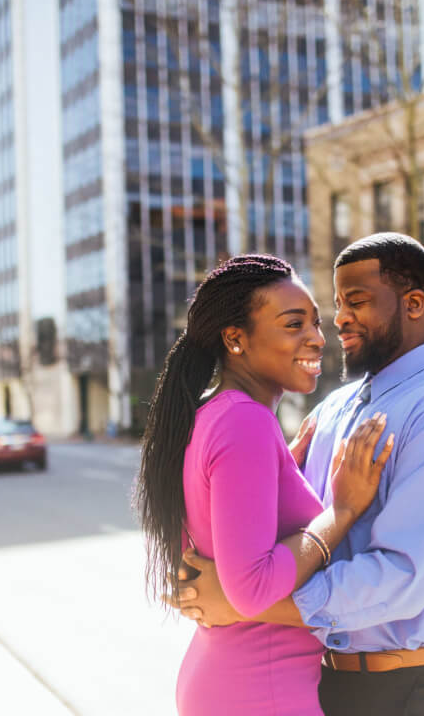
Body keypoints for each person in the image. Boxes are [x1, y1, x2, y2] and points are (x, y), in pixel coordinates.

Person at [173, 234, 424, 716]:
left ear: (414, 304)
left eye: (357, 302)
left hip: (417, 688)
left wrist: (247, 604)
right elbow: (294, 534)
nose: (339, 320)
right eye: (337, 304)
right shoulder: (334, 409)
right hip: (329, 682)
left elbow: (403, 578)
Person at [135, 254, 395, 716]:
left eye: (316, 322)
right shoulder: (244, 422)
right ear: (235, 339)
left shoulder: (210, 415)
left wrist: (280, 470)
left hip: (227, 679)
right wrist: (341, 511)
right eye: (293, 324)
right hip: (261, 692)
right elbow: (251, 589)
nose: (316, 338)